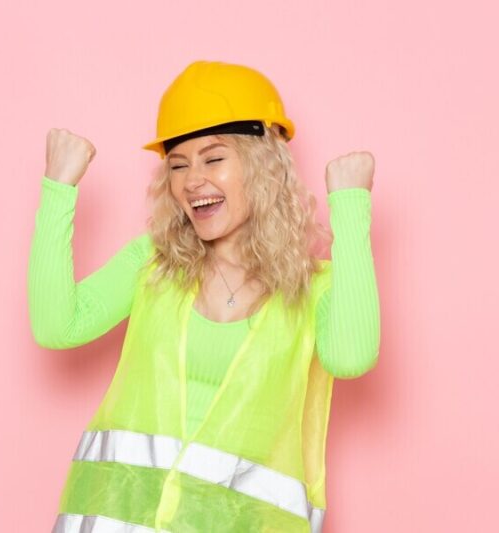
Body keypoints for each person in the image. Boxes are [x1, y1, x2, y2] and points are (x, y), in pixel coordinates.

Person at [28, 60, 379, 533]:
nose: (192, 180)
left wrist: (351, 207)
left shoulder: (314, 286)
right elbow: (57, 326)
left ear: (263, 167)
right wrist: (58, 187)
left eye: (213, 159)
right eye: (177, 165)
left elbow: (351, 357)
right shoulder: (153, 264)